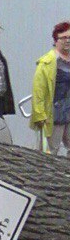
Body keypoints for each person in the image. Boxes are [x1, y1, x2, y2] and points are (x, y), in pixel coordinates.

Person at [30, 21, 70, 155]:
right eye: (64, 38)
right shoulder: (47, 62)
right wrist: (40, 114)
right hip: (54, 113)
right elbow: (38, 91)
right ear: (56, 40)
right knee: (50, 151)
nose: (67, 41)